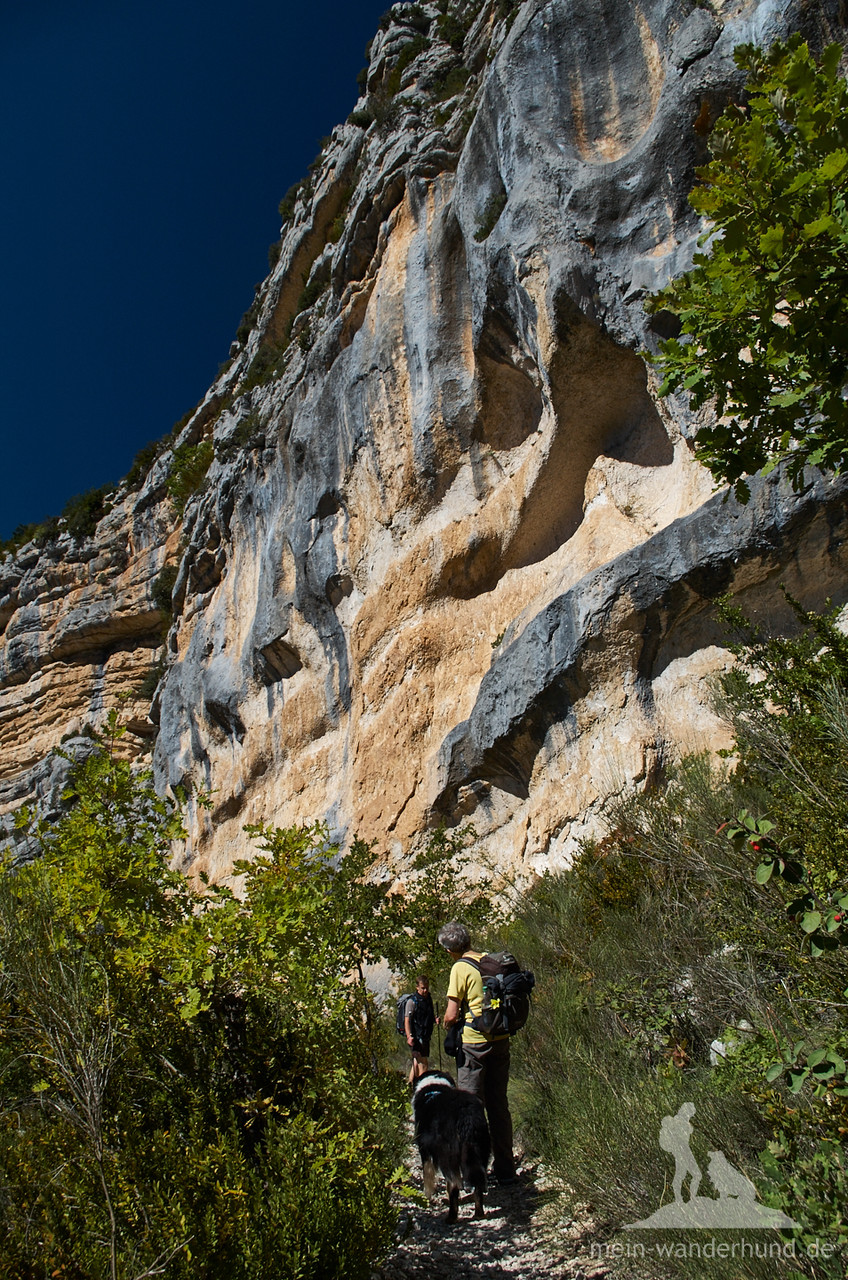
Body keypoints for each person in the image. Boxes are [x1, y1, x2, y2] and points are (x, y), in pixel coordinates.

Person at [438, 921, 517, 1184]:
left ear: (451, 950)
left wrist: (447, 1023)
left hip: (474, 1044)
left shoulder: (460, 967)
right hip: (501, 1039)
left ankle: (475, 1171)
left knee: (470, 1109)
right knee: (499, 1105)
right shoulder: (487, 960)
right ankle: (506, 1169)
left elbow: (451, 1014)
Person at [404, 974, 437, 1085]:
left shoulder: (428, 999)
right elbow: (407, 1020)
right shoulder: (412, 1001)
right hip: (416, 1037)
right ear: (417, 987)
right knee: (423, 1063)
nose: (425, 990)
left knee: (417, 1061)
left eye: (427, 987)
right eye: (423, 988)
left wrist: (435, 1020)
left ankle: (410, 1085)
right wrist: (409, 1036)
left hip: (425, 1036)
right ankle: (423, 1086)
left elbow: (428, 1015)